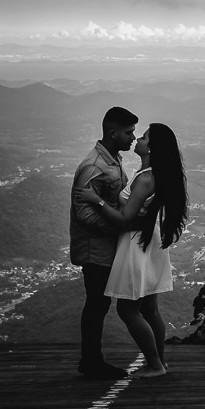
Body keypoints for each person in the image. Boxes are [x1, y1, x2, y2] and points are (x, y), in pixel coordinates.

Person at [76, 122, 188, 379]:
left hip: (136, 245)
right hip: (146, 243)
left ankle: (155, 364)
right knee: (150, 309)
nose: (138, 138)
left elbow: (125, 219)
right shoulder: (150, 174)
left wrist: (97, 200)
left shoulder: (146, 179)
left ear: (153, 148)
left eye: (145, 137)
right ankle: (159, 362)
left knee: (128, 310)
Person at [70, 106, 138, 379]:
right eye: (128, 132)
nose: (133, 137)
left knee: (99, 304)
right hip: (94, 247)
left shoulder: (112, 159)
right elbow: (82, 210)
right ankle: (91, 361)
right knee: (96, 304)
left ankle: (92, 360)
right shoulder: (94, 166)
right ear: (113, 132)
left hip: (104, 246)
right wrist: (117, 227)